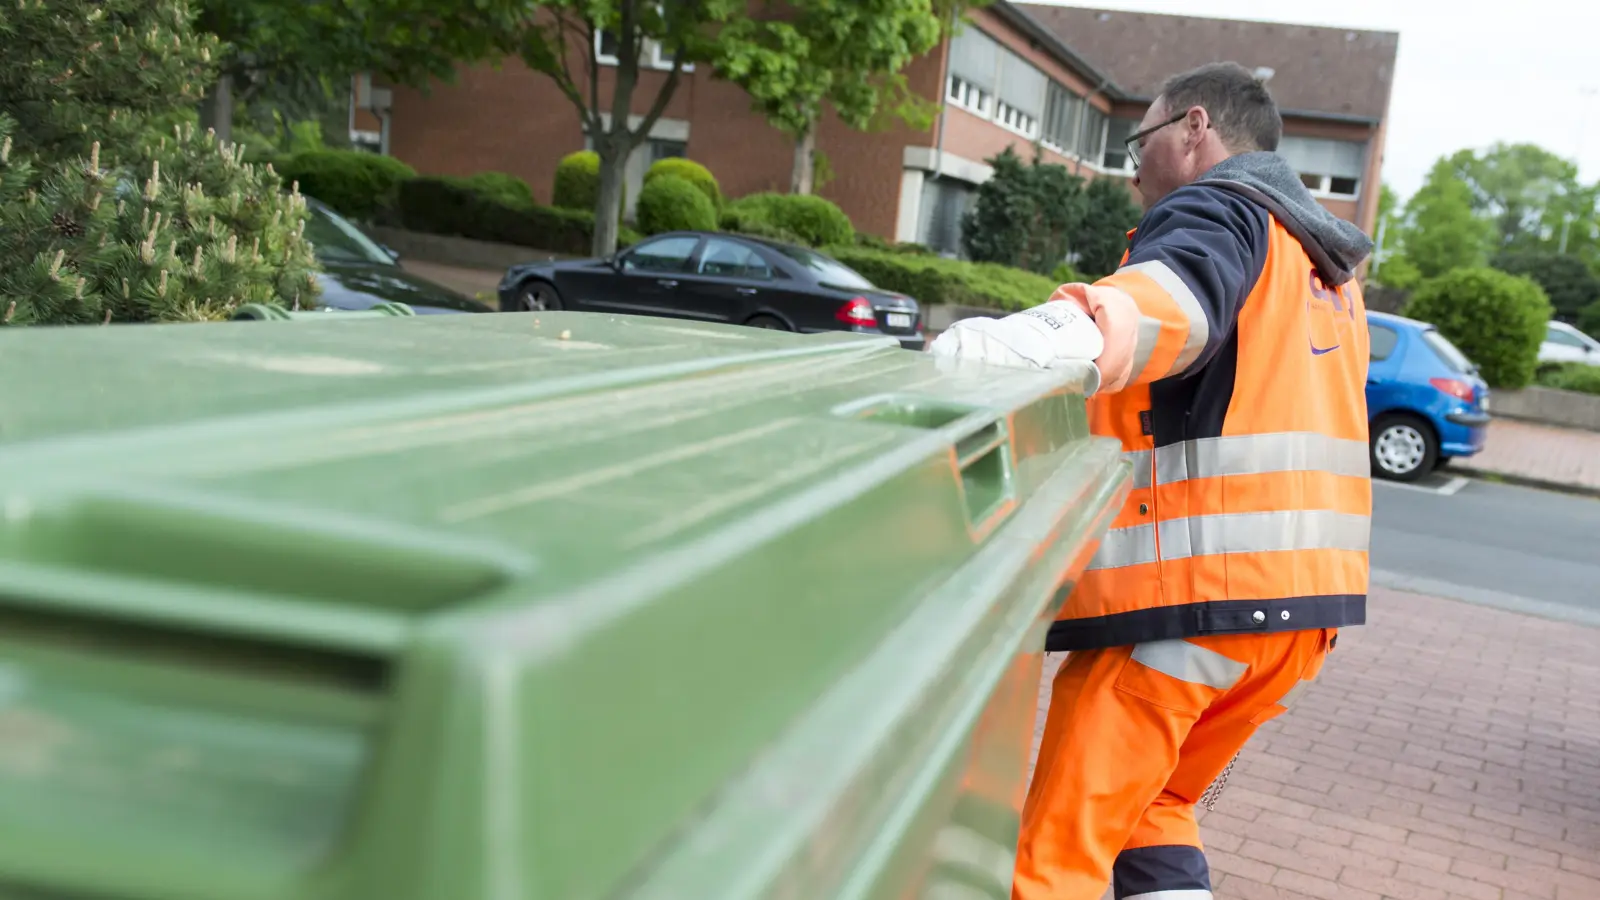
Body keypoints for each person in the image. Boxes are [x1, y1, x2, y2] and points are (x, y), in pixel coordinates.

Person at [929, 62, 1374, 900]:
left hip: (1184, 608)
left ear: (1194, 128)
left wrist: (1060, 332)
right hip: (1298, 622)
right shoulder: (1323, 266)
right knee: (1155, 808)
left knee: (1051, 863)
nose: (1133, 163)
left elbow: (1176, 298)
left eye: (1141, 139)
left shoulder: (1224, 209)